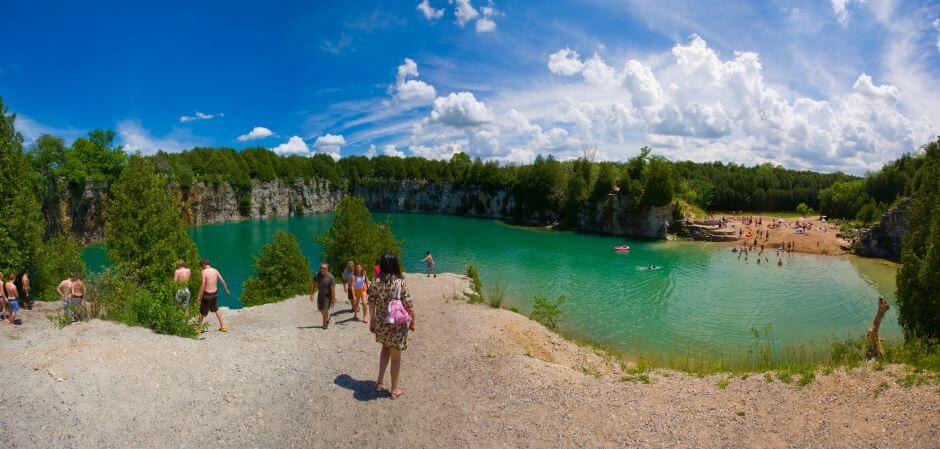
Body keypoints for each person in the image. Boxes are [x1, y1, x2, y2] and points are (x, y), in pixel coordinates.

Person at [368, 254, 415, 400]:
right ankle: (394, 390)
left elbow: (371, 304)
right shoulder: (400, 283)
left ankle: (379, 382)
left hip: (382, 324)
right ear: (395, 265)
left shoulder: (375, 282)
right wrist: (413, 322)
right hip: (397, 326)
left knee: (384, 349)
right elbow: (410, 307)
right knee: (395, 358)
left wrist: (372, 321)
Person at [196, 259, 230, 334]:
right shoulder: (215, 270)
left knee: (202, 312)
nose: (201, 268)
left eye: (201, 266)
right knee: (216, 309)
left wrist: (199, 297)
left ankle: (198, 329)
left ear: (203, 265)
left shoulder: (204, 272)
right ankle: (223, 326)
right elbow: (222, 281)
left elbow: (203, 285)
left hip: (207, 295)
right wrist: (226, 290)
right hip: (214, 294)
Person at [310, 262, 336, 329]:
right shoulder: (317, 275)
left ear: (327, 269)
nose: (322, 269)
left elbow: (333, 290)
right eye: (321, 268)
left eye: (324, 268)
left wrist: (333, 300)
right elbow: (313, 284)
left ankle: (325, 323)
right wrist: (312, 294)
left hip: (327, 297)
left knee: (325, 310)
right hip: (320, 295)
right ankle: (326, 317)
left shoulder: (331, 277)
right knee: (320, 309)